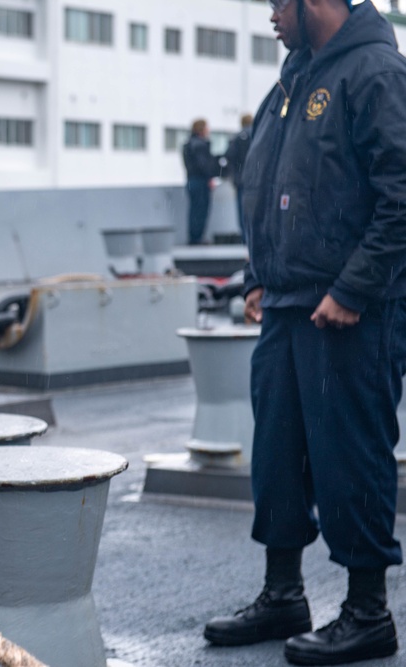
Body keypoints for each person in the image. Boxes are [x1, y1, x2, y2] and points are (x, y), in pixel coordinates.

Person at [204, 1, 405, 664]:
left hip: (351, 309)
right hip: (288, 303)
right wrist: (260, 274)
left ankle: (368, 611)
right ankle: (283, 592)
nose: (269, 16)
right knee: (278, 457)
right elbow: (270, 182)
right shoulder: (294, 76)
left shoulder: (374, 70)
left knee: (353, 457)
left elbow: (400, 192)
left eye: (275, 3)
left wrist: (354, 288)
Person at [181, 118, 221, 245]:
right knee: (200, 210)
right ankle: (197, 238)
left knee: (194, 210)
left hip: (191, 180)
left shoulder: (188, 144)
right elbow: (204, 165)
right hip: (200, 181)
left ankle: (194, 237)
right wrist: (210, 176)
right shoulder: (200, 145)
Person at [223, 113, 253, 243]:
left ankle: (245, 237)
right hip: (255, 179)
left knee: (242, 209)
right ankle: (254, 237)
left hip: (241, 179)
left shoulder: (236, 137)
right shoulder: (257, 134)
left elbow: (228, 156)